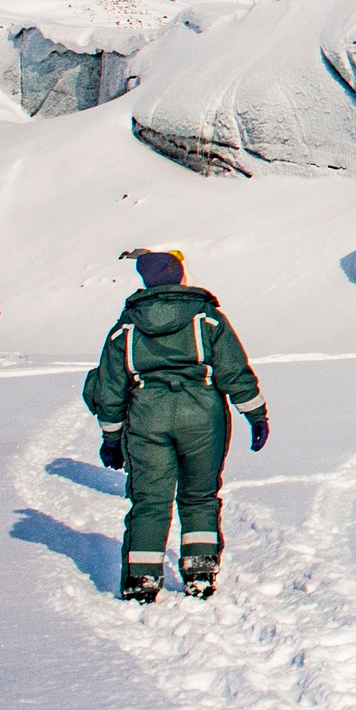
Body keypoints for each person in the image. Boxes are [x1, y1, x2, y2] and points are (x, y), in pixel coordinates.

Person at [83, 250, 268, 603]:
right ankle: (200, 571)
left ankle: (141, 580)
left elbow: (109, 388)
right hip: (203, 415)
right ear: (180, 275)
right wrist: (255, 414)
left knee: (149, 501)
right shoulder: (208, 319)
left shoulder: (125, 327)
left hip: (147, 417)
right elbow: (233, 370)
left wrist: (111, 437)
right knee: (198, 495)